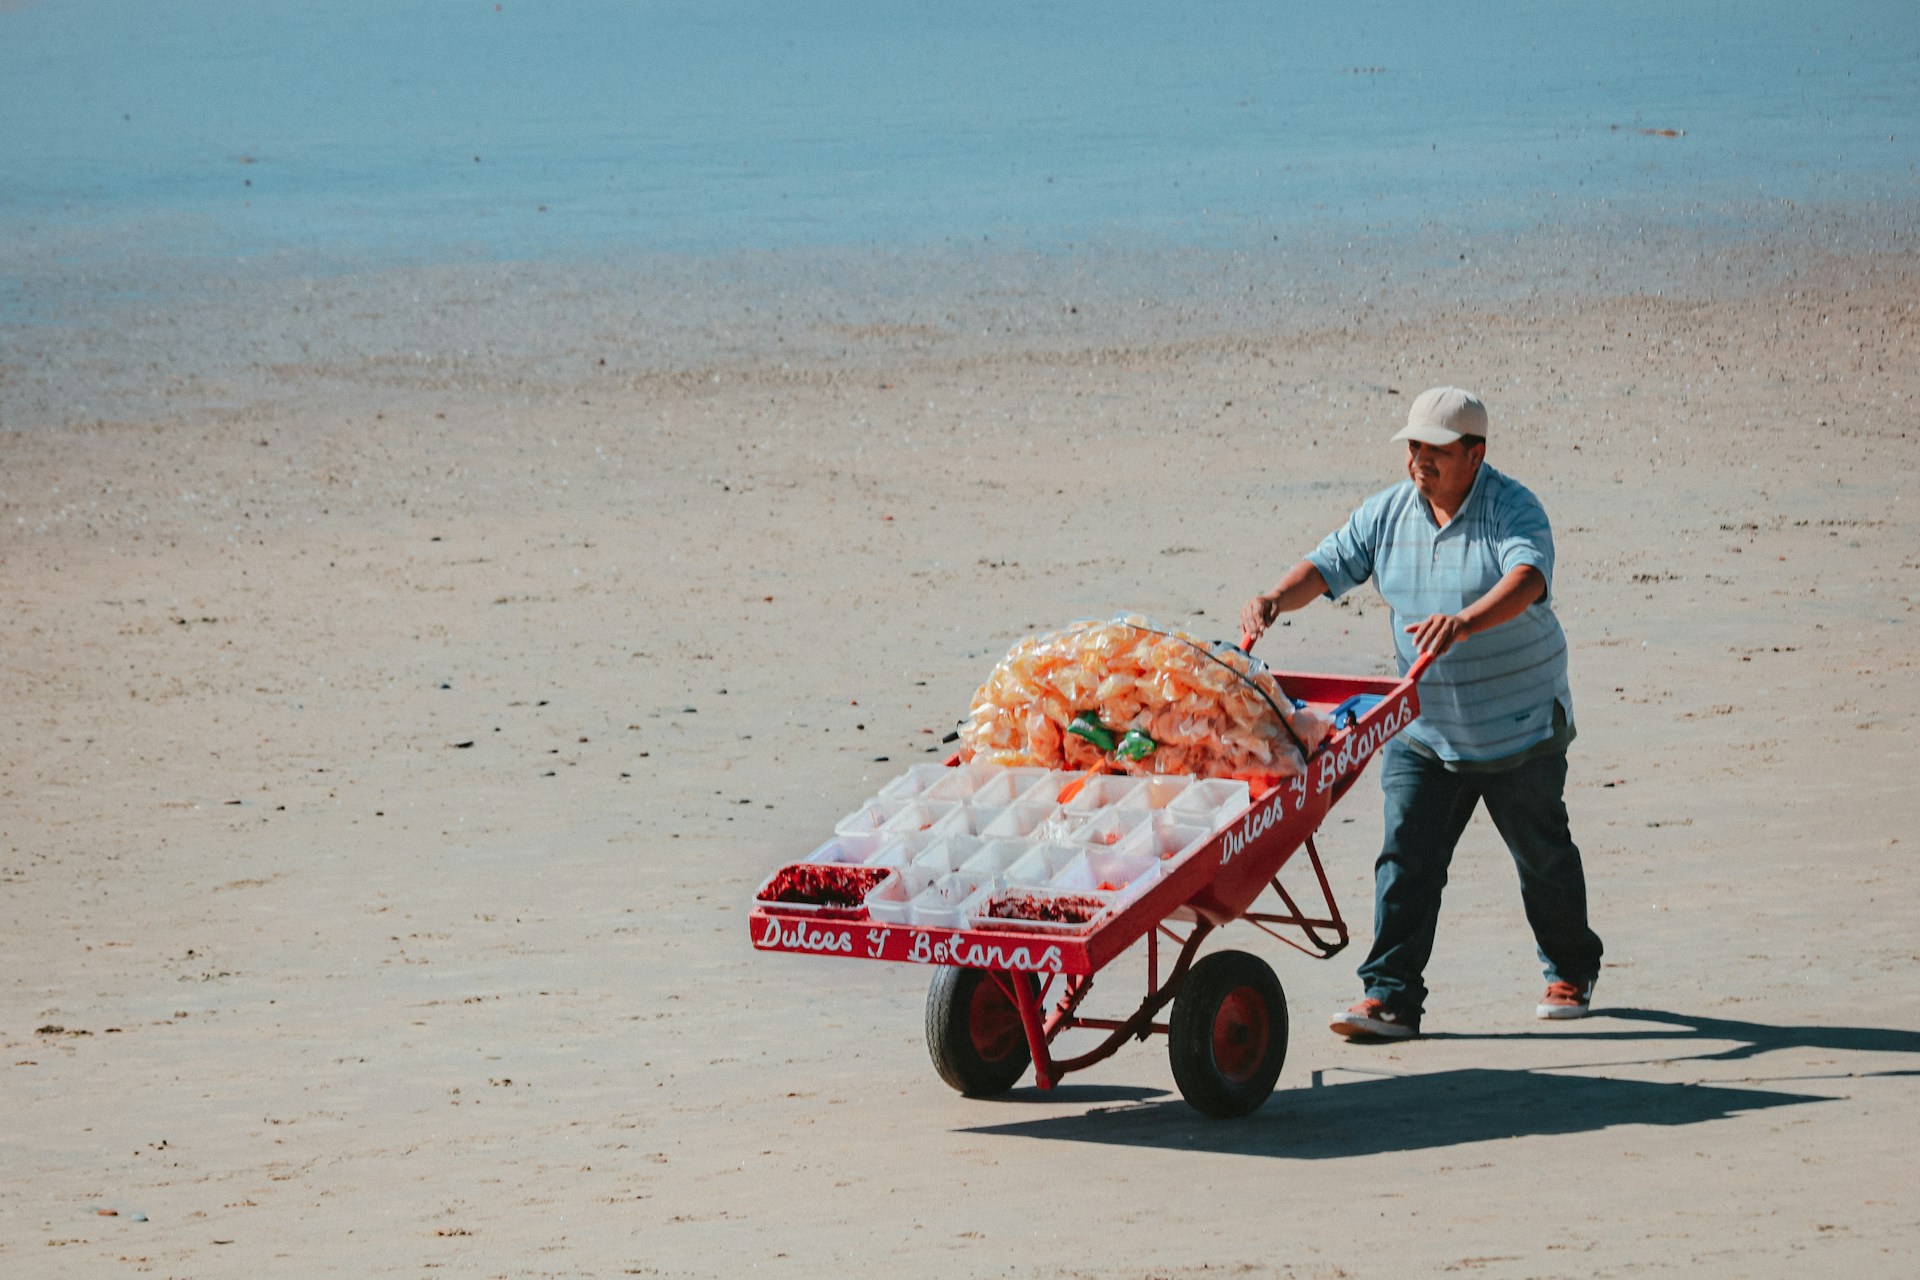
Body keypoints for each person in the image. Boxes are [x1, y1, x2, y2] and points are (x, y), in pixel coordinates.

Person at [1239, 386, 1603, 1039]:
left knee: (1541, 854)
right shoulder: (1388, 514)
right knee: (1406, 857)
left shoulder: (1511, 508)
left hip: (1517, 724)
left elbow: (1528, 579)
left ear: (1475, 454)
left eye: (1436, 451)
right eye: (1413, 447)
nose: (1420, 461)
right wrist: (1272, 598)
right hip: (1425, 725)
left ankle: (1571, 969)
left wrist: (1465, 622)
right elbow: (1326, 566)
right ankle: (1390, 997)